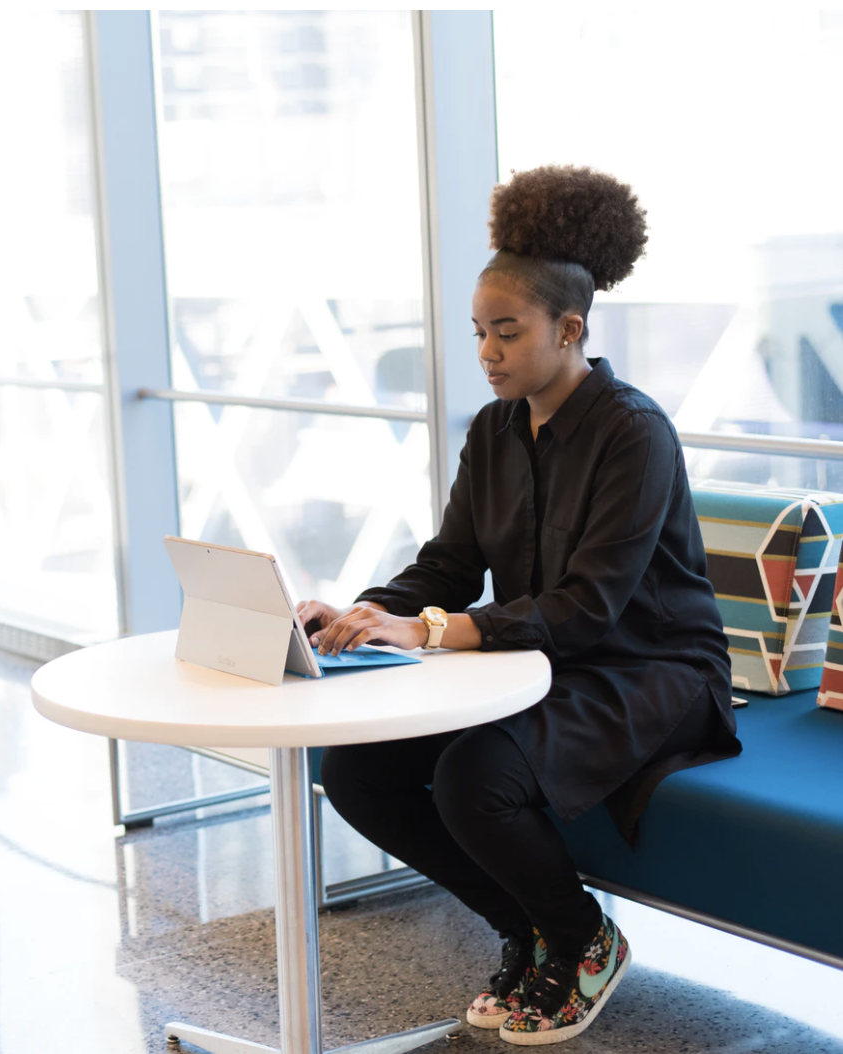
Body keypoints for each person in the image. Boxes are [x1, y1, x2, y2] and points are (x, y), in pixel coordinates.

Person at [296, 164, 741, 1045]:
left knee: (477, 776)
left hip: (654, 671)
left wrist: (427, 631)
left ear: (569, 329)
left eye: (507, 332)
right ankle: (530, 932)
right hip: (538, 661)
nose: (487, 353)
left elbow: (590, 607)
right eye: (479, 333)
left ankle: (583, 941)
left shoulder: (635, 433)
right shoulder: (495, 430)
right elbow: (451, 564)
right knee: (357, 771)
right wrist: (357, 615)